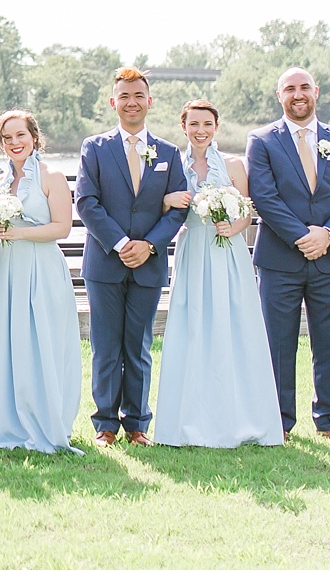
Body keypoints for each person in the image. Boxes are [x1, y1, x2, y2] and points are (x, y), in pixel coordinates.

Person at [245, 66, 330, 440]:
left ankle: (329, 421)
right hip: (280, 258)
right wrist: (303, 237)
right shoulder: (262, 140)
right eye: (289, 89)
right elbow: (265, 198)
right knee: (279, 344)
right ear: (278, 95)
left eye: (304, 88)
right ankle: (280, 422)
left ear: (316, 91)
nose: (298, 95)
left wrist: (328, 235)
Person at [152, 100, 283, 448]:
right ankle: (188, 418)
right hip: (194, 248)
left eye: (207, 124)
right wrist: (168, 203)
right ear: (183, 127)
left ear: (216, 127)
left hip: (229, 253)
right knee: (193, 326)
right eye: (193, 124)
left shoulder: (234, 165)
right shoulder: (172, 165)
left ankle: (241, 414)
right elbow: (161, 206)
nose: (200, 130)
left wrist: (233, 227)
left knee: (235, 324)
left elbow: (247, 212)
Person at [75, 67, 189, 446]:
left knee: (139, 346)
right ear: (113, 102)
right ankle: (105, 424)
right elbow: (86, 202)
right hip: (106, 261)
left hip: (150, 263)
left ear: (149, 101)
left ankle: (137, 422)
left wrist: (150, 245)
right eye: (124, 96)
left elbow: (178, 208)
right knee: (106, 345)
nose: (131, 102)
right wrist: (122, 243)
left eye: (138, 95)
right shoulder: (94, 148)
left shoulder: (170, 153)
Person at [0, 110, 82, 452]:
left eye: (20, 135)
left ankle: (44, 418)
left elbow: (62, 227)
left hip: (41, 268)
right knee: (6, 340)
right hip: (8, 269)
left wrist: (19, 232)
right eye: (7, 138)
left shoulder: (51, 176)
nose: (14, 143)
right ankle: (4, 419)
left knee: (42, 340)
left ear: (34, 137)